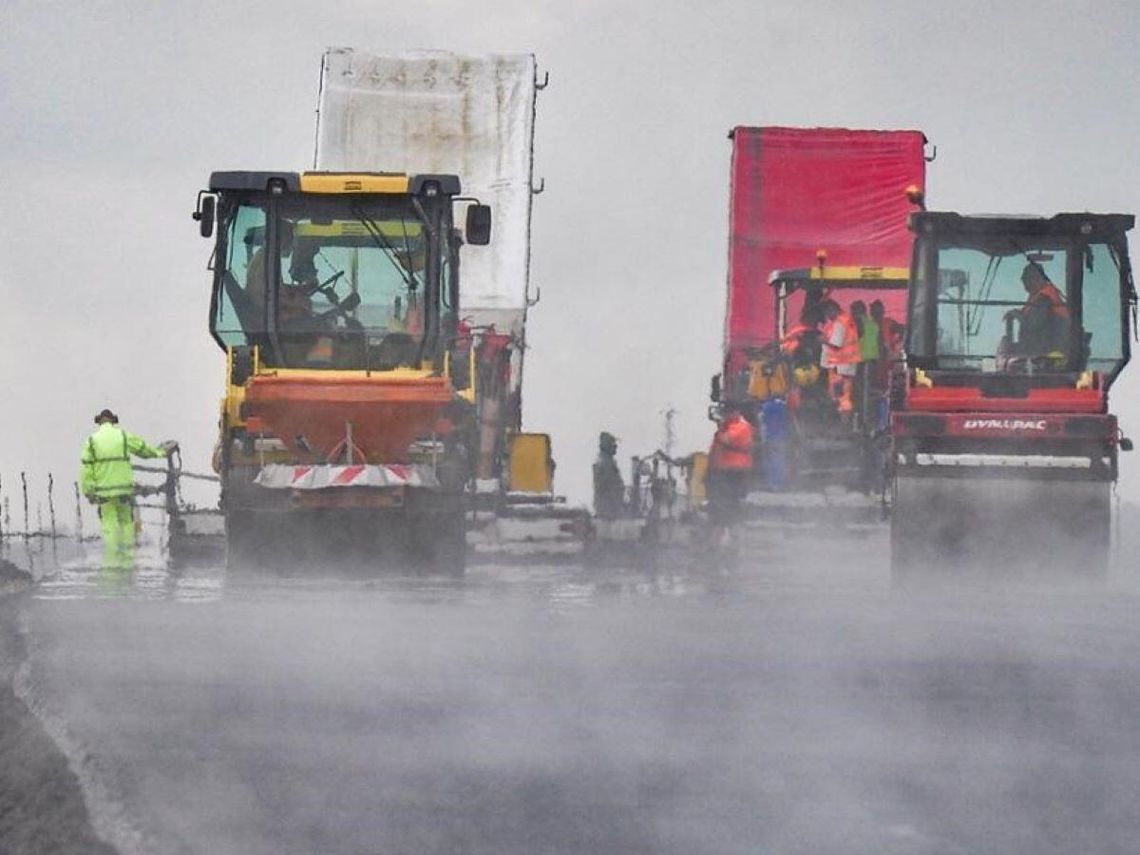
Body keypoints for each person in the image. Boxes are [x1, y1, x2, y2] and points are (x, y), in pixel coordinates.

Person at [80, 409, 176, 571]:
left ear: (99, 422)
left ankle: (112, 563)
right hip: (124, 490)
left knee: (109, 526)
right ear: (113, 421)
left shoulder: (91, 441)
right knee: (126, 524)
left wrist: (89, 491)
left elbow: (86, 470)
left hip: (104, 493)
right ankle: (127, 562)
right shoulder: (123, 436)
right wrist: (161, 452)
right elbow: (143, 450)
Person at [706, 404, 755, 538]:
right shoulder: (728, 426)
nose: (724, 416)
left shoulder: (741, 427)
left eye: (726, 413)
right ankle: (720, 535)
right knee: (720, 505)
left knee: (730, 506)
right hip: (722, 470)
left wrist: (719, 426)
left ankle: (732, 538)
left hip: (734, 472)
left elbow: (726, 440)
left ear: (734, 412)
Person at [1005, 262, 1070, 357]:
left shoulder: (1044, 298)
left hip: (1046, 356)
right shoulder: (1038, 296)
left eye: (1026, 280)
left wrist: (1016, 314)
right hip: (1040, 351)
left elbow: (1032, 324)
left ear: (1036, 279)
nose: (1025, 285)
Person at [820, 300, 860, 416]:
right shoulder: (847, 320)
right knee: (844, 393)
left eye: (827, 312)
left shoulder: (840, 323)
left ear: (832, 309)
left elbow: (836, 344)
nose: (826, 315)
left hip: (840, 365)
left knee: (840, 394)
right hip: (846, 364)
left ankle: (843, 419)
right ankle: (844, 416)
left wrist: (823, 340)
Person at [592, 431, 626, 519]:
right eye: (612, 443)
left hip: (609, 509)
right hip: (608, 511)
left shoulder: (608, 462)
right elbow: (608, 487)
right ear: (606, 446)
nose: (615, 446)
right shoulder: (605, 463)